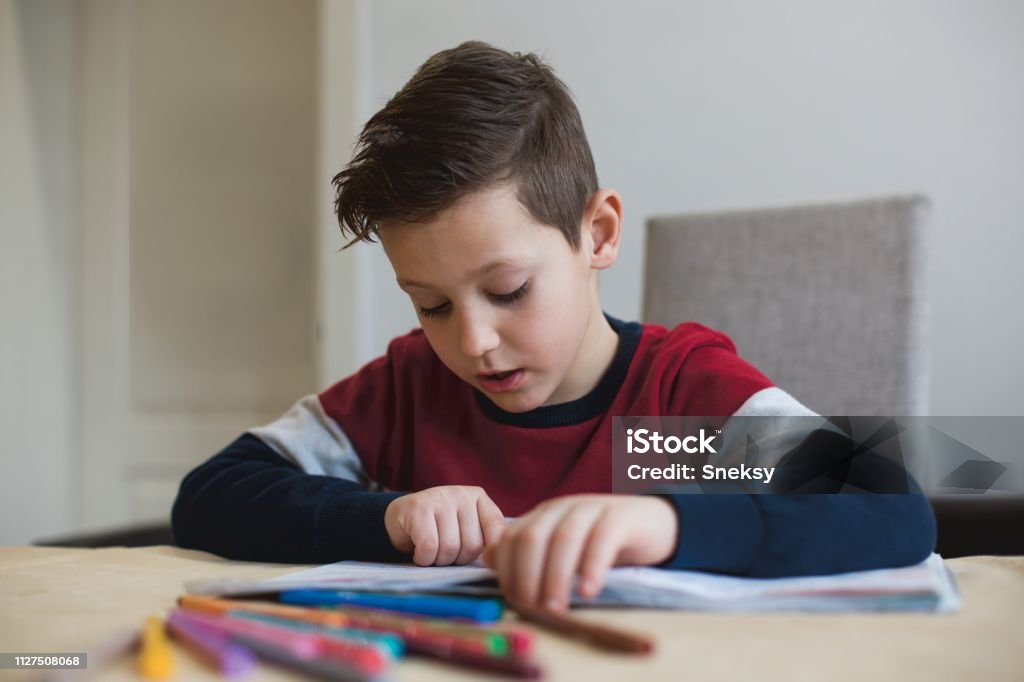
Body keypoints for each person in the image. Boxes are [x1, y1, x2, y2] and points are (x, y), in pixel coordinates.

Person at [172, 41, 935, 614]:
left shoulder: (676, 399)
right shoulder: (409, 387)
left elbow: (890, 504)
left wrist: (663, 523)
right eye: (430, 304)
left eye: (507, 290)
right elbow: (212, 492)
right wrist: (388, 517)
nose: (471, 342)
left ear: (597, 235)